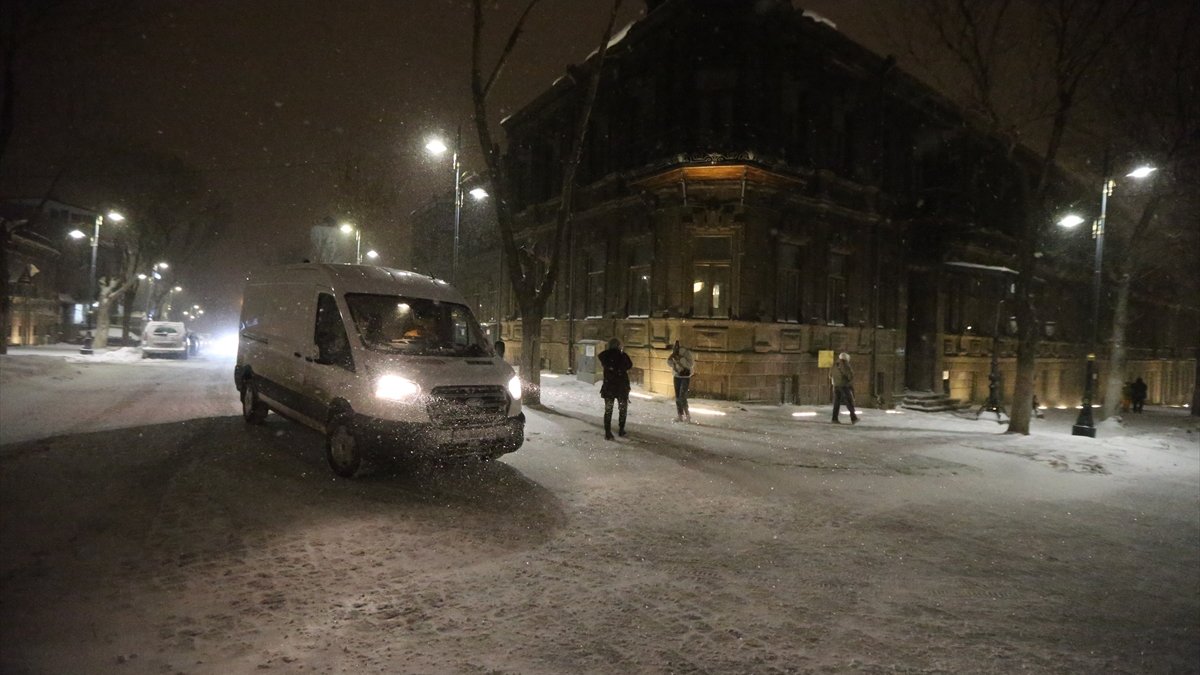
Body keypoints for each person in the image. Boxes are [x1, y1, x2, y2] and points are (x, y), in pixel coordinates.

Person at [598, 337, 633, 440]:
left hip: (609, 387)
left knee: (608, 410)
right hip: (621, 387)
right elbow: (629, 365)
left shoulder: (605, 356)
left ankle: (607, 432)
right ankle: (621, 429)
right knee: (622, 409)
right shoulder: (623, 356)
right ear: (618, 345)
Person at [667, 339, 694, 422]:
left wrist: (680, 359)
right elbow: (669, 363)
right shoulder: (674, 353)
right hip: (677, 375)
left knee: (682, 397)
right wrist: (672, 360)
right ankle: (680, 415)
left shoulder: (686, 353)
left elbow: (690, 364)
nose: (675, 347)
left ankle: (687, 415)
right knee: (678, 397)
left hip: (685, 376)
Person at [832, 352, 858, 424]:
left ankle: (834, 418)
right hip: (844, 385)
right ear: (846, 358)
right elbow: (850, 375)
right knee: (849, 402)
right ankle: (853, 418)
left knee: (836, 403)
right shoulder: (845, 364)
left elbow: (830, 375)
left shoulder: (834, 364)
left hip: (836, 386)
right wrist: (849, 379)